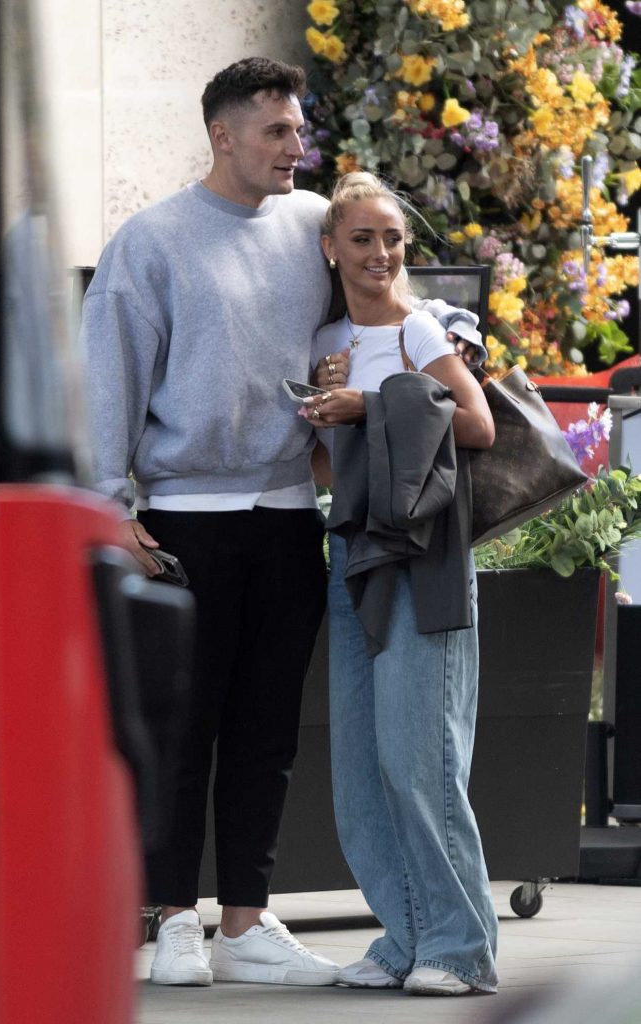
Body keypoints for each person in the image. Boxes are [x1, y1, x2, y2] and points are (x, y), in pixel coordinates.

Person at [82, 57, 484, 990]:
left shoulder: (312, 224)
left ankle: (246, 923)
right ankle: (175, 919)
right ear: (223, 134)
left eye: (299, 130)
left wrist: (448, 340)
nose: (296, 147)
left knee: (269, 729)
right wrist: (110, 505)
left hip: (291, 516)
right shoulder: (152, 242)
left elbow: (385, 288)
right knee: (187, 728)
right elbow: (111, 377)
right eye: (277, 131)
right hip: (185, 520)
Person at [303, 171, 500, 996]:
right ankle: (404, 938)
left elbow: (478, 423)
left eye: (392, 238)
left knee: (422, 761)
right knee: (361, 770)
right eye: (362, 239)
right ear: (330, 249)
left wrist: (369, 404)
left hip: (424, 561)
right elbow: (321, 469)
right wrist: (324, 404)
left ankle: (459, 949)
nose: (381, 253)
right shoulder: (328, 342)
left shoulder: (420, 329)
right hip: (356, 561)